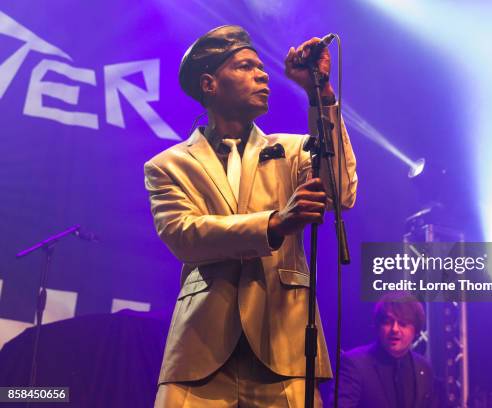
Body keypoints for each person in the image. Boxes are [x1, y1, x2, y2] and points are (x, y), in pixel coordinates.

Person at [144, 25, 357, 407]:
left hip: (286, 348)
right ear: (210, 84)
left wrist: (319, 93)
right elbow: (183, 234)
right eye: (245, 66)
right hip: (200, 355)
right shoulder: (168, 165)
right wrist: (273, 223)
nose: (262, 74)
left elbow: (340, 193)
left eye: (261, 67)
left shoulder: (292, 150)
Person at [336, 296, 436, 408]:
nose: (395, 329)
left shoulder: (423, 368)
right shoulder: (354, 364)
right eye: (388, 322)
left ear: (416, 330)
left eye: (403, 323)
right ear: (378, 326)